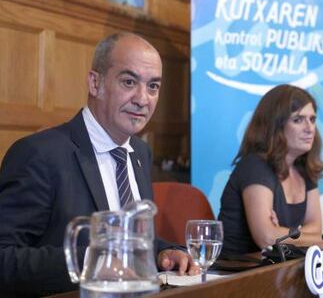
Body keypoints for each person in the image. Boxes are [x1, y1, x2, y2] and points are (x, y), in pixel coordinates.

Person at [0, 32, 198, 297]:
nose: (143, 99)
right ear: (95, 83)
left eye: (153, 86)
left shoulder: (139, 152)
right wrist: (94, 262)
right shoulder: (39, 154)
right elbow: (4, 259)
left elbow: (128, 242)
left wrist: (163, 251)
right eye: (129, 82)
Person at [218, 84, 323, 255]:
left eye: (312, 119)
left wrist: (280, 232)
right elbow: (266, 237)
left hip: (274, 269)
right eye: (298, 120)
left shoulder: (304, 167)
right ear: (274, 126)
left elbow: (316, 228)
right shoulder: (255, 166)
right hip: (232, 273)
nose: (310, 128)